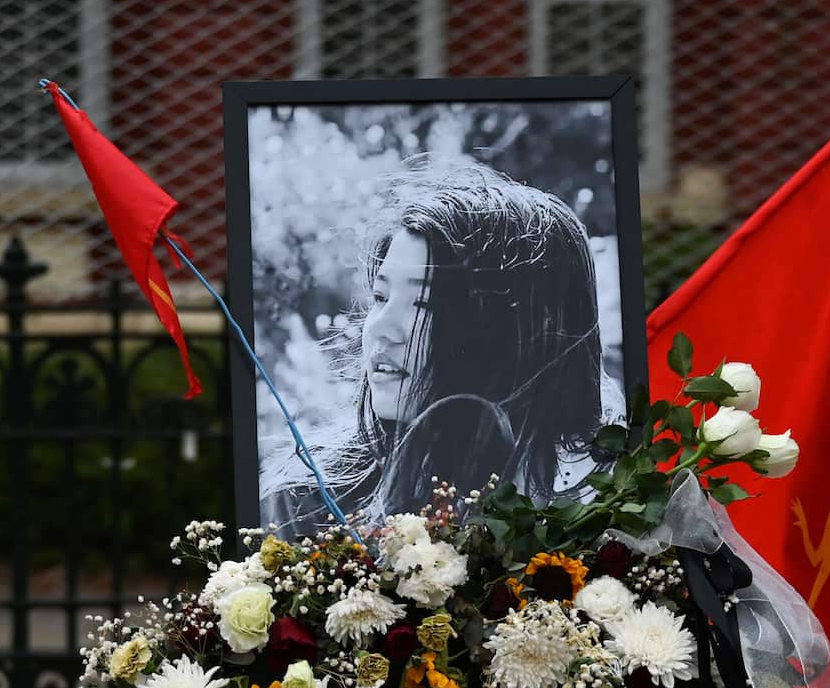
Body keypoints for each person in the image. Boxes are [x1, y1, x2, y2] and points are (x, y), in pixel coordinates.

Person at [259, 160, 623, 533]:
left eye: (425, 304)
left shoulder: (610, 495)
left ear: (514, 330)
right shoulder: (313, 497)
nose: (382, 329)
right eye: (381, 297)